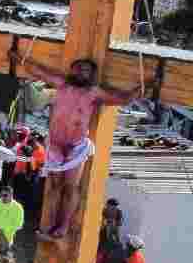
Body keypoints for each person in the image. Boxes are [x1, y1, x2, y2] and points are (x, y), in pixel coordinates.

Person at [9, 51, 143, 240]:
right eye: (79, 68)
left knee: (71, 187)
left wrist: (145, 86)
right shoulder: (62, 83)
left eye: (86, 70)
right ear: (72, 70)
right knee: (55, 186)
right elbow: (38, 71)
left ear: (92, 74)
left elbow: (124, 98)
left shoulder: (94, 92)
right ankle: (48, 226)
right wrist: (20, 59)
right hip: (55, 143)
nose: (82, 72)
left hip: (76, 146)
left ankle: (63, 227)